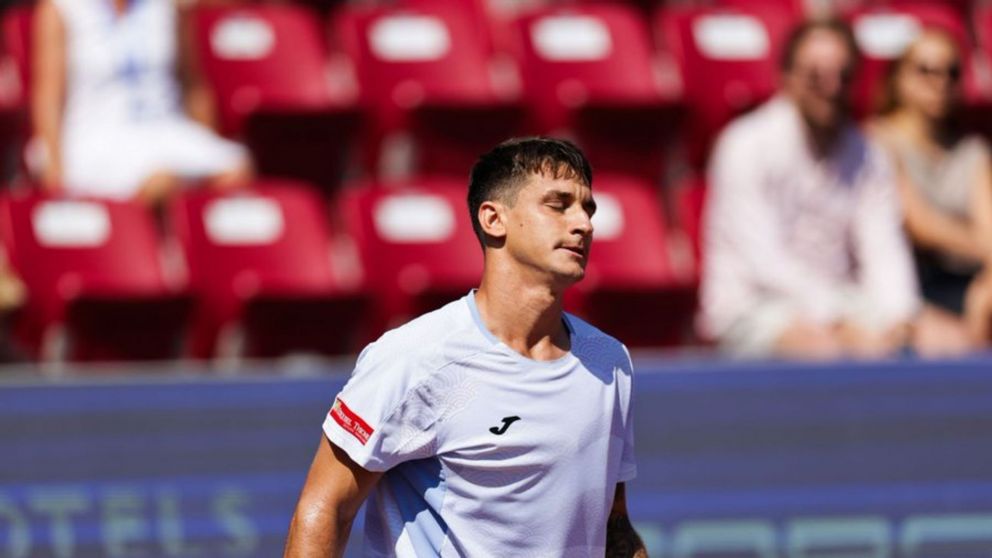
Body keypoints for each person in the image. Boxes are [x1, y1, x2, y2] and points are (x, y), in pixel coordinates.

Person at [284, 138, 645, 557]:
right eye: (558, 205)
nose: (584, 224)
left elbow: (614, 525)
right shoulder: (415, 357)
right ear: (494, 219)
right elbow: (325, 509)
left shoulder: (610, 362)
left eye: (588, 209)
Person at [699, 19, 968, 360]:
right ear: (787, 77)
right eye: (816, 75)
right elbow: (764, 263)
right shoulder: (745, 146)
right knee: (831, 351)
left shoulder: (868, 153)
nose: (831, 87)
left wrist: (899, 318)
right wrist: (841, 319)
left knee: (952, 341)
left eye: (843, 75)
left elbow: (884, 249)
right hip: (754, 307)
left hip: (847, 303)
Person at [31, 0, 252, 207]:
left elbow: (192, 85)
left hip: (165, 129)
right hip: (94, 138)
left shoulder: (170, 7)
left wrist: (206, 140)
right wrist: (54, 170)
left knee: (235, 171)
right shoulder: (61, 8)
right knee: (162, 184)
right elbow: (48, 97)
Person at [868, 29, 992, 345]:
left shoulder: (972, 151)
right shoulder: (877, 141)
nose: (940, 82)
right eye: (926, 71)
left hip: (968, 277)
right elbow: (921, 224)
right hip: (909, 282)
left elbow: (988, 224)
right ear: (899, 78)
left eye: (951, 72)